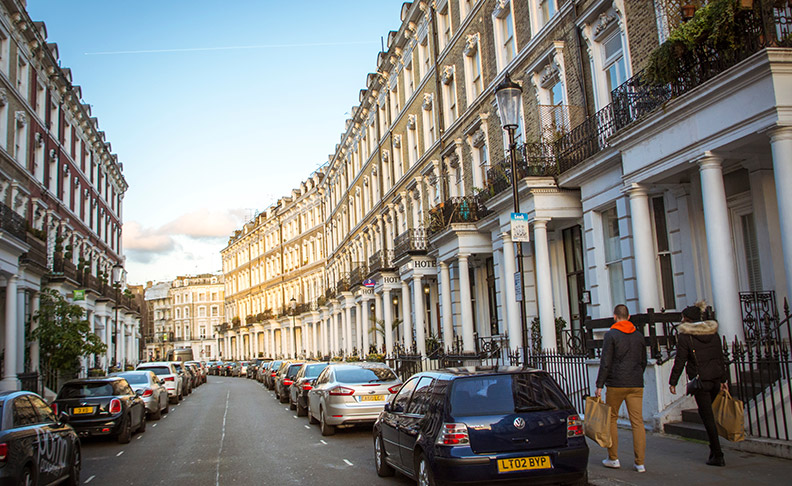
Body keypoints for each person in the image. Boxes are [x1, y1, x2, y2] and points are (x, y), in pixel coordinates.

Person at [669, 302, 728, 467]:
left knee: (707, 417)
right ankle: (713, 450)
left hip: (701, 382)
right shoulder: (713, 334)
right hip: (715, 379)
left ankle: (718, 453)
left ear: (687, 320)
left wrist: (673, 382)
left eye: (683, 317)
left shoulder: (685, 337)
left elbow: (680, 360)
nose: (681, 320)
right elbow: (720, 357)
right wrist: (723, 379)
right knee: (709, 416)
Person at [595, 304, 647, 473]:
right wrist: (636, 374)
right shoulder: (639, 336)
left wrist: (599, 385)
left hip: (616, 383)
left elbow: (606, 362)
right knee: (637, 422)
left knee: (611, 419)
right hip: (636, 383)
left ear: (615, 316)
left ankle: (613, 458)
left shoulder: (611, 335)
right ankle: (640, 463)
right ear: (629, 316)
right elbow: (643, 360)